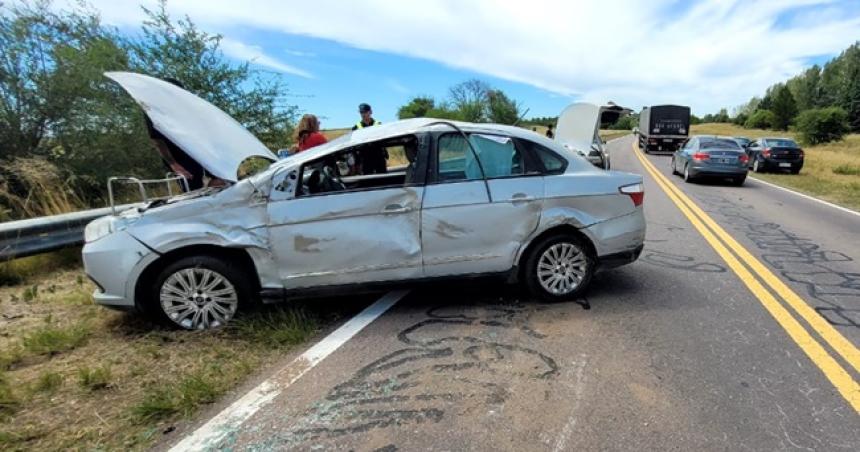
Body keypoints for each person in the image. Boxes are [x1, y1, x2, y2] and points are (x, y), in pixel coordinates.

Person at [146, 78, 224, 191]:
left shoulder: (184, 107)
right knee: (193, 185)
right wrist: (173, 164)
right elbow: (157, 140)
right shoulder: (153, 111)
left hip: (196, 149)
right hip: (178, 157)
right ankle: (199, 205)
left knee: (220, 177)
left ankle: (216, 199)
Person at [352, 103, 387, 173]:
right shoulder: (356, 127)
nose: (363, 114)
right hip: (365, 158)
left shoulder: (379, 124)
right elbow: (354, 145)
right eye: (361, 112)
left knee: (383, 179)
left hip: (379, 156)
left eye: (365, 112)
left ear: (370, 112)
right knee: (368, 181)